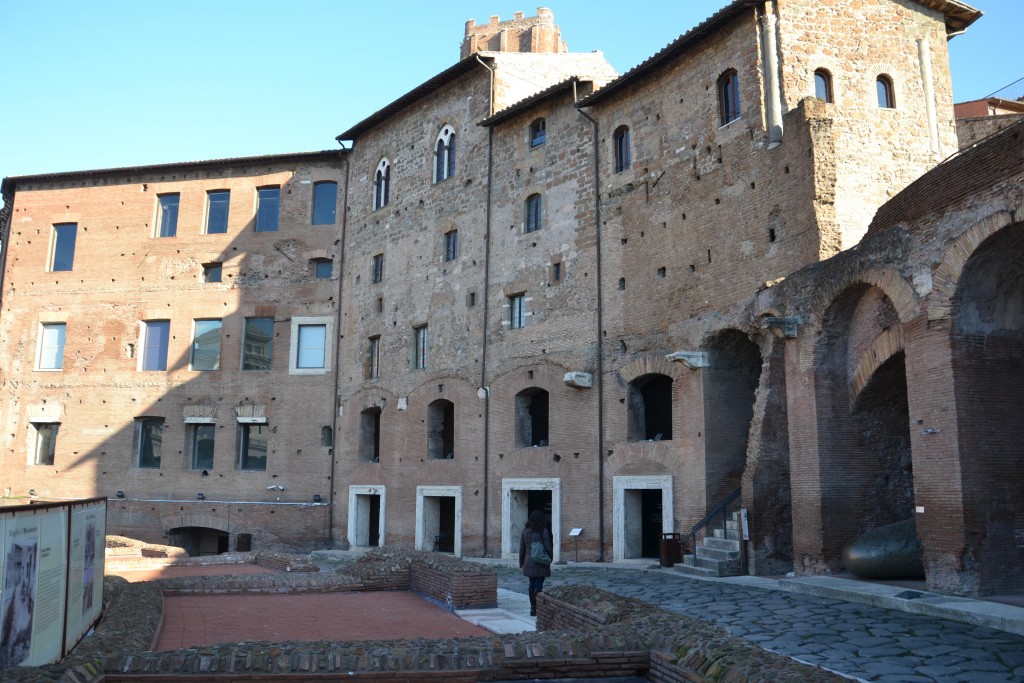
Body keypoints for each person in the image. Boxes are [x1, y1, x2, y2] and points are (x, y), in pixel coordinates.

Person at [518, 509, 553, 616]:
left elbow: (522, 549)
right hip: (541, 561)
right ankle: (537, 608)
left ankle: (533, 608)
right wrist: (550, 559)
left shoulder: (525, 531)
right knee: (538, 586)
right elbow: (548, 547)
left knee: (531, 585)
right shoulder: (544, 531)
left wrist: (521, 562)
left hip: (529, 561)